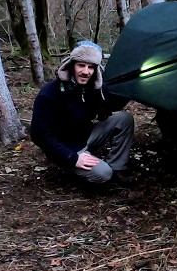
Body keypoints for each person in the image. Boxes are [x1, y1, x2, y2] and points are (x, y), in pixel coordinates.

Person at [30, 40, 136, 185]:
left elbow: (107, 107)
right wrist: (72, 158)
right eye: (81, 65)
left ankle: (117, 167)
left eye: (91, 67)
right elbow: (39, 134)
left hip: (85, 136)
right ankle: (72, 169)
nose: (86, 72)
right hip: (66, 148)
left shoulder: (96, 89)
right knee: (104, 174)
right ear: (71, 65)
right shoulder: (49, 93)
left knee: (124, 119)